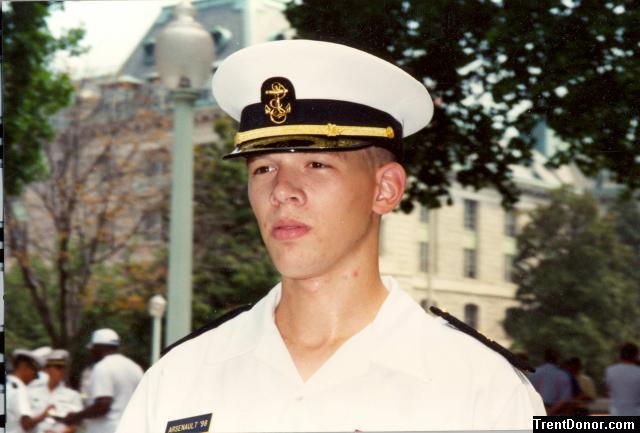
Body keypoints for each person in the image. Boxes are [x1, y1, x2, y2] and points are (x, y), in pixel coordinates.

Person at [117, 39, 544, 433]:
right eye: (263, 168)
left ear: (385, 189)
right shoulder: (180, 376)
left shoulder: (479, 389)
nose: (282, 190)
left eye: (317, 165)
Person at [61, 328, 143, 433]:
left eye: (93, 348)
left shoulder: (102, 367)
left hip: (108, 429)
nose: (91, 352)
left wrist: (76, 417)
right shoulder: (135, 367)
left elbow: (103, 406)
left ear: (98, 347)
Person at [28, 349, 83, 433]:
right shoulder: (31, 393)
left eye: (63, 368)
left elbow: (76, 423)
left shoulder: (73, 395)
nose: (62, 371)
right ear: (46, 369)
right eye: (58, 367)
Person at [6, 349, 53, 433]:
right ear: (24, 366)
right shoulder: (19, 388)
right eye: (34, 371)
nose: (35, 377)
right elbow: (26, 425)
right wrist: (44, 415)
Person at [529, 348, 573, 415]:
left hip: (534, 410)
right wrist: (548, 412)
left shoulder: (533, 373)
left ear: (544, 358)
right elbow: (564, 399)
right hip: (553, 412)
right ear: (557, 359)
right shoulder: (563, 375)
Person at [605, 342, 640, 415]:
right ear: (636, 355)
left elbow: (608, 391)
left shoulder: (610, 371)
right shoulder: (638, 372)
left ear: (620, 355)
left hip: (616, 412)